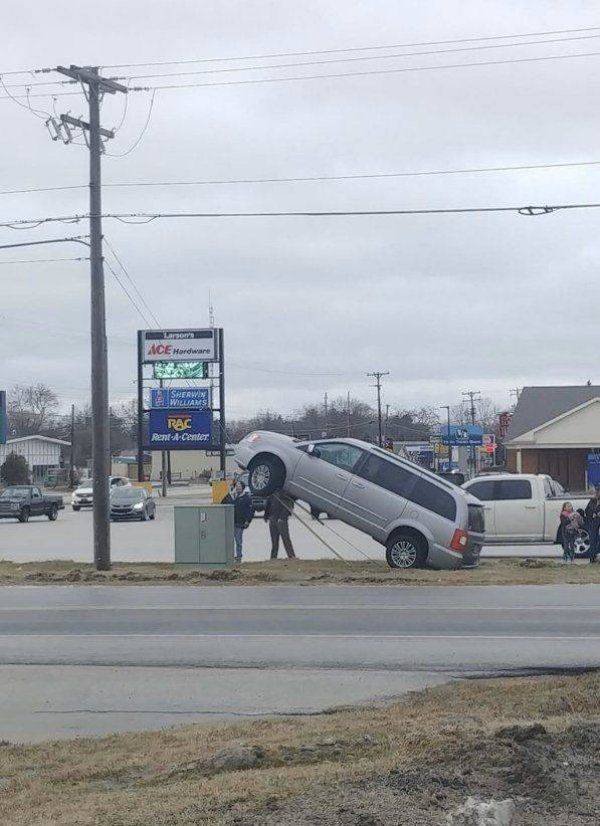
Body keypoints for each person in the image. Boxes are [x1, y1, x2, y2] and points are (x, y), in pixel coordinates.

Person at [223, 480, 254, 563]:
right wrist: (229, 494)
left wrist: (248, 521)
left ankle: (239, 556)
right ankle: (230, 556)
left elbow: (250, 511)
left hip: (240, 523)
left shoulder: (247, 498)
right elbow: (222, 503)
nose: (237, 487)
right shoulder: (232, 496)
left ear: (243, 488)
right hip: (230, 522)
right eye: (236, 486)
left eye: (239, 486)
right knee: (229, 541)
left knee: (238, 540)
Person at [264, 491, 296, 559]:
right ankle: (273, 557)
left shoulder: (286, 494)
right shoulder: (272, 494)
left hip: (282, 520)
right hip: (272, 519)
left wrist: (282, 517)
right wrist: (266, 516)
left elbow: (289, 507)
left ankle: (291, 556)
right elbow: (268, 505)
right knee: (274, 540)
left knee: (285, 539)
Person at [584, 486, 600, 563]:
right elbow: (586, 511)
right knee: (593, 540)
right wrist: (593, 514)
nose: (597, 493)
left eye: (598, 492)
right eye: (597, 492)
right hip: (593, 523)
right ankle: (592, 559)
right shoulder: (592, 501)